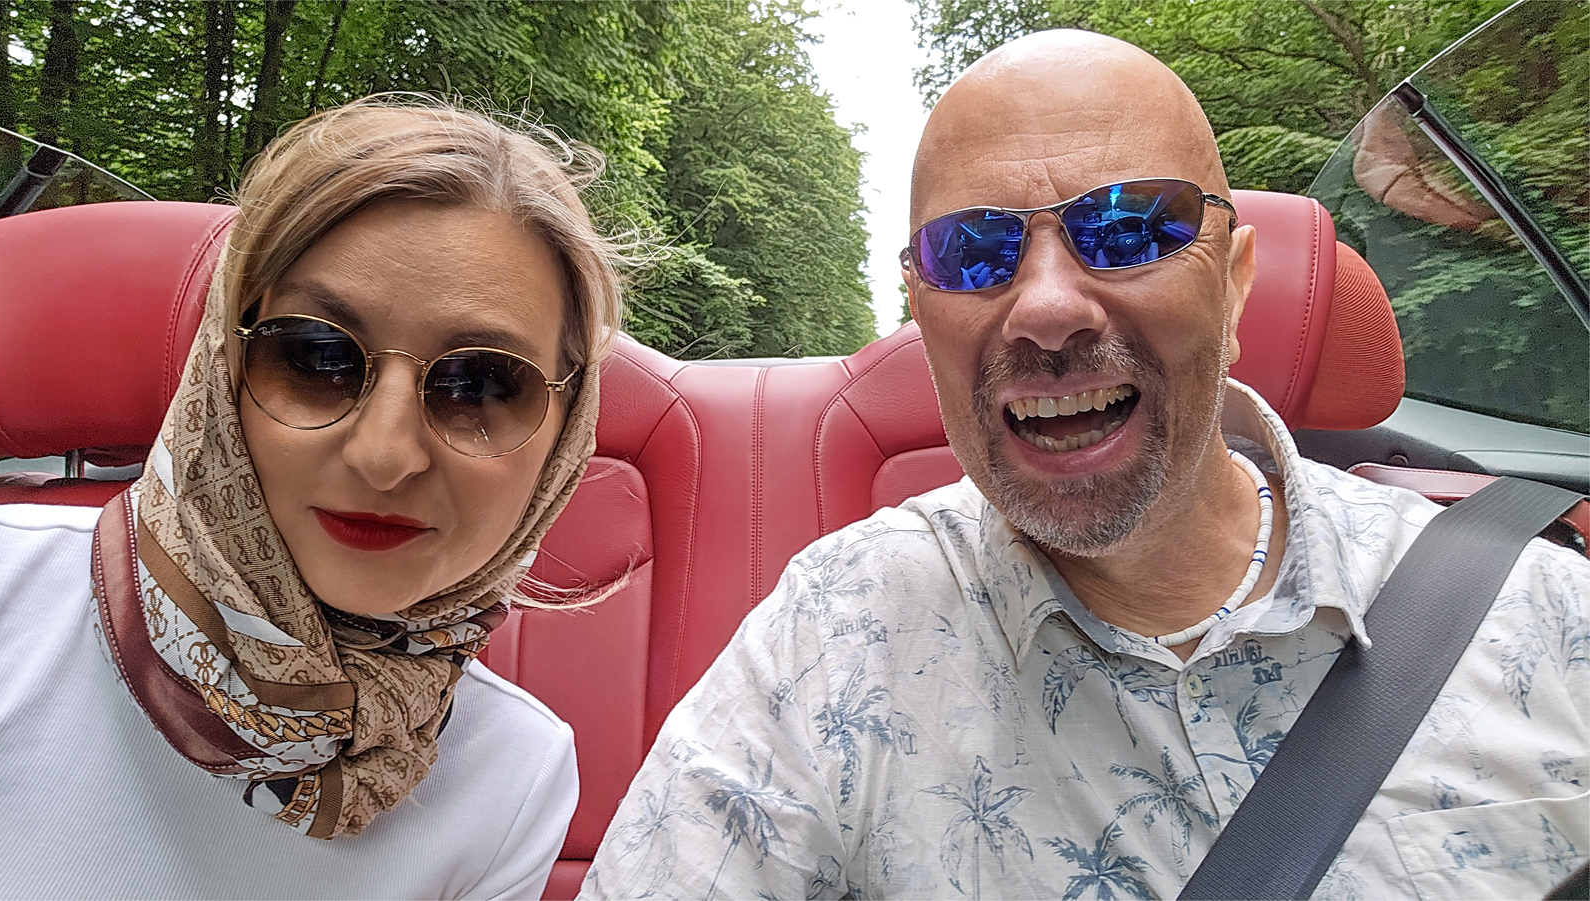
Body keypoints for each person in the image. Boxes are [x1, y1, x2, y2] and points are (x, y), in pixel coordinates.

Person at [578, 30, 1589, 900]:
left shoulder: (1541, 617)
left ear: (1236, 285)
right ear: (922, 315)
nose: (1049, 308)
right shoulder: (832, 636)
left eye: (1129, 227)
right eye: (972, 253)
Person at [0, 97, 624, 899]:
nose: (385, 456)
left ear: (567, 436)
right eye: (316, 355)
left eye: (483, 383)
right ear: (223, 369)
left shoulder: (516, 780)